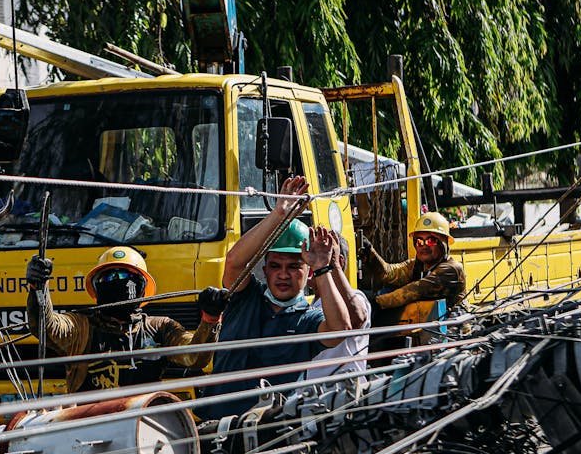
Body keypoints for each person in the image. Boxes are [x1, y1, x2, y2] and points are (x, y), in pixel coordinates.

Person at [196, 176, 351, 420]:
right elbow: (234, 262)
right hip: (216, 425)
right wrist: (279, 214)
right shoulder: (245, 298)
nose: (283, 275)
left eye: (293, 267)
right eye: (275, 265)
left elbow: (340, 329)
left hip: (271, 432)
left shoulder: (308, 319)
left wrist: (323, 268)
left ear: (308, 272)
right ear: (265, 269)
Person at [25, 245, 222, 392]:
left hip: (142, 426)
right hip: (89, 427)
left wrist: (210, 319)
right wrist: (38, 288)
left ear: (142, 287)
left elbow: (194, 357)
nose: (119, 281)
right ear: (97, 286)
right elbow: (46, 326)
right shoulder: (81, 326)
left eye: (127, 276)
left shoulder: (160, 328)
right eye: (110, 277)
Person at [359, 211, 466, 321]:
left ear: (444, 243)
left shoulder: (451, 270)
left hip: (449, 329)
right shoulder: (417, 265)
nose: (423, 246)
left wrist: (375, 302)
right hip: (424, 326)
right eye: (419, 241)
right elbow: (389, 273)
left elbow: (412, 292)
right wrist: (369, 253)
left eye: (431, 241)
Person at [303, 233, 372, 384]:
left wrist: (331, 266)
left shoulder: (356, 297)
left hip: (343, 397)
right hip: (312, 399)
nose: (309, 263)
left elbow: (357, 318)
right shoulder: (306, 305)